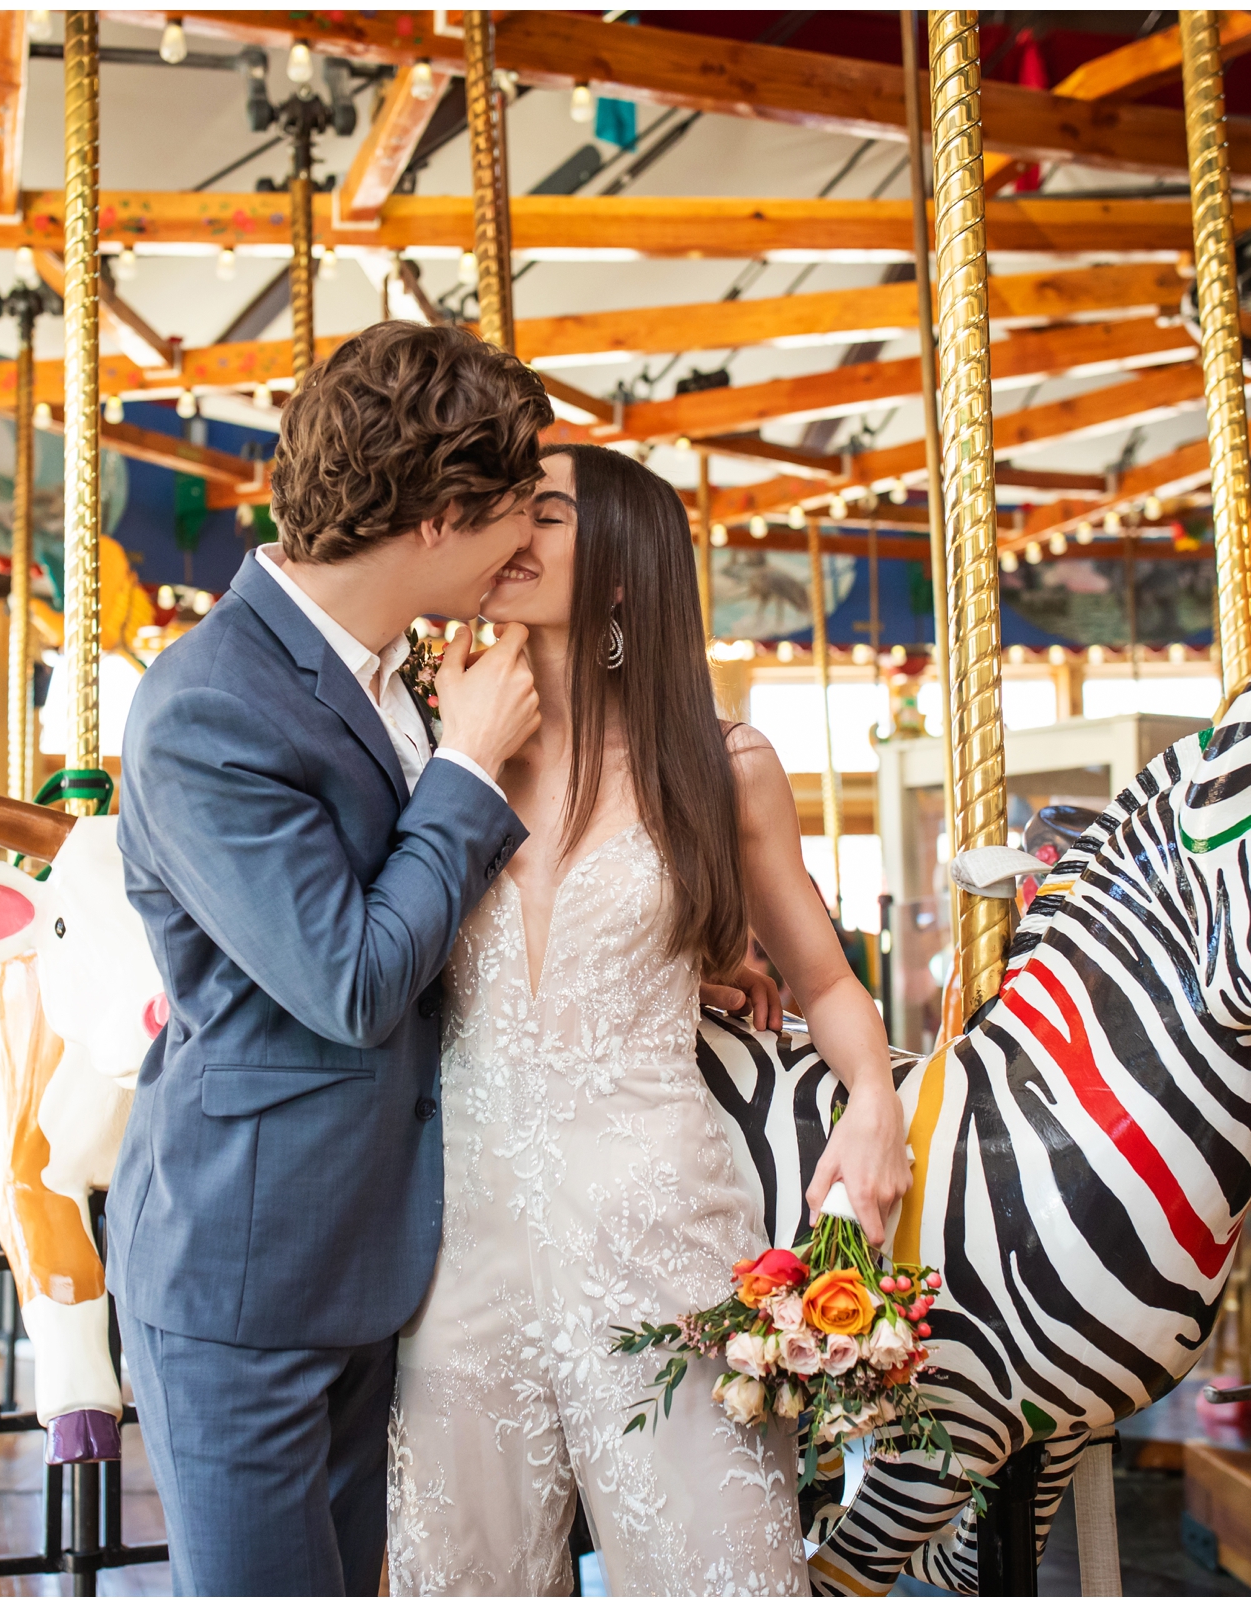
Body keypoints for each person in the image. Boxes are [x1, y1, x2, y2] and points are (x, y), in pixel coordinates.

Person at [387, 444, 912, 1596]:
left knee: (718, 1567)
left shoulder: (721, 769)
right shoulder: (434, 749)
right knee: (456, 1574)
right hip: (459, 1250)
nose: (507, 530)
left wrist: (873, 1103)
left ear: (624, 571)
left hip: (654, 1231)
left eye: (548, 512)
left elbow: (824, 978)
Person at [107, 321, 552, 1596]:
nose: (524, 544)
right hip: (243, 1267)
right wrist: (465, 766)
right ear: (439, 516)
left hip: (373, 1252)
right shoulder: (208, 705)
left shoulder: (388, 672)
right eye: (514, 511)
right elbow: (354, 980)